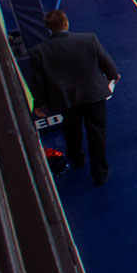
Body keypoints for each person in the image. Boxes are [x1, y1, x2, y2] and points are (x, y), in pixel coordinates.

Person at [26, 10, 119, 186]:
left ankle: (77, 159)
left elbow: (38, 81)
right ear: (66, 23)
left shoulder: (38, 51)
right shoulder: (89, 39)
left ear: (48, 28)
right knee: (97, 133)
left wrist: (38, 104)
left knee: (71, 130)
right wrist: (113, 75)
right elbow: (104, 60)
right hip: (93, 94)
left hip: (66, 99)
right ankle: (100, 174)